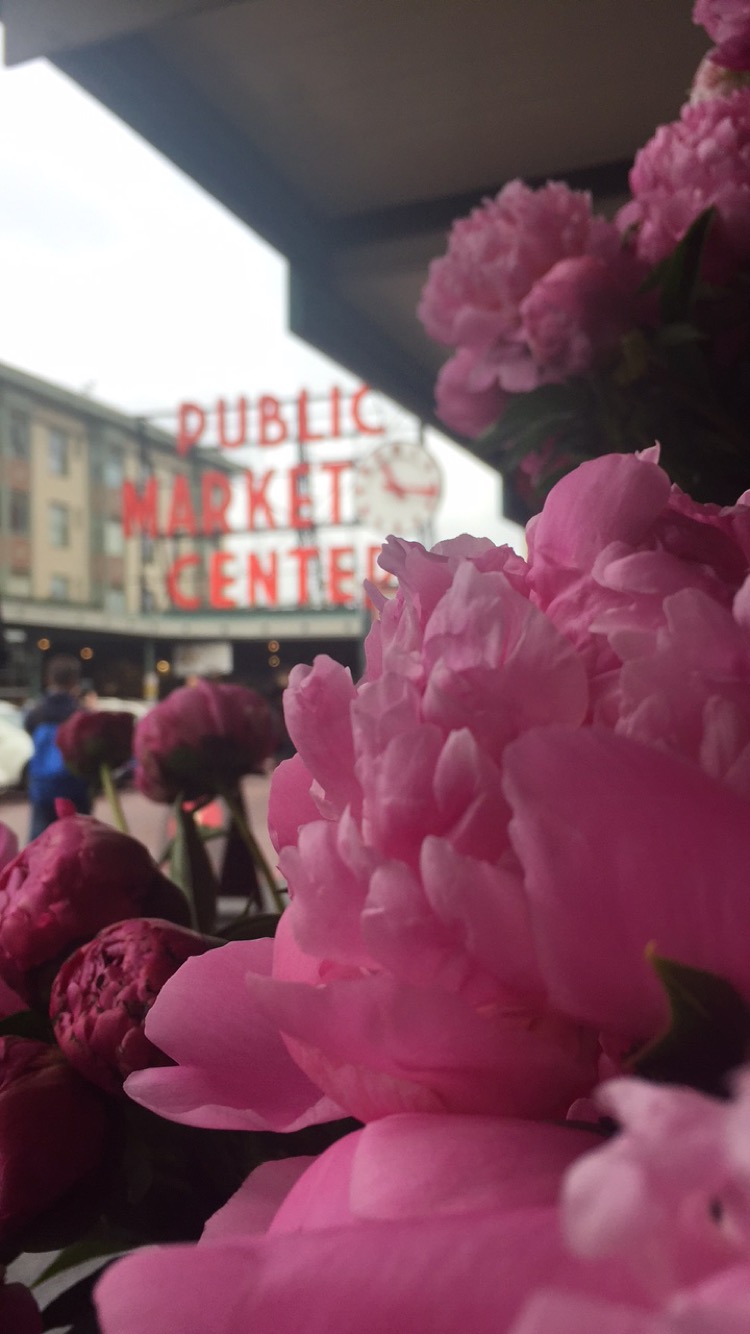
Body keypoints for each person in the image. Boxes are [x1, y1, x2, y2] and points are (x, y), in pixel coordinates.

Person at [24, 654, 91, 840]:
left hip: (42, 787)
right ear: (74, 680)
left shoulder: (36, 712)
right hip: (75, 786)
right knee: (78, 840)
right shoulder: (80, 714)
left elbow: (29, 730)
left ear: (48, 679)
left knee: (39, 843)